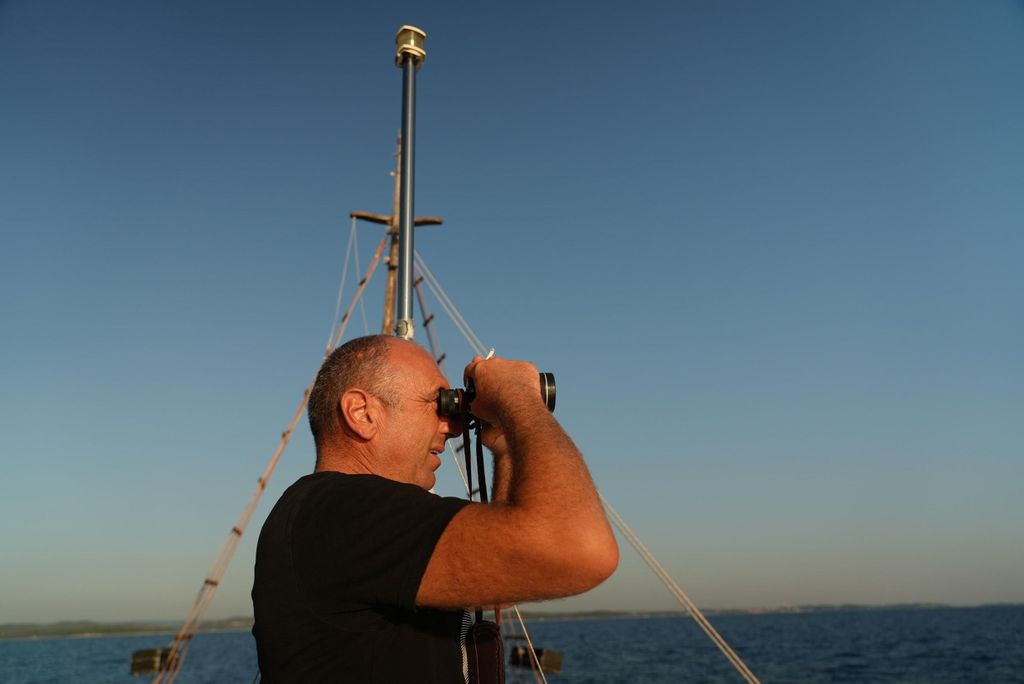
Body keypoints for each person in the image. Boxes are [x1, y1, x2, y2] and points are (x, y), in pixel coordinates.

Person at [252, 334, 618, 682]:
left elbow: (507, 574)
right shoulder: (337, 511)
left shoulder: (331, 518)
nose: (454, 427)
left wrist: (506, 446)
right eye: (437, 403)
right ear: (363, 413)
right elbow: (581, 548)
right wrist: (517, 397)